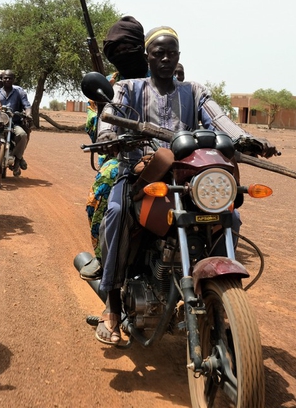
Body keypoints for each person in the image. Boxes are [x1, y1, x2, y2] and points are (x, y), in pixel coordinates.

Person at [93, 26, 277, 344]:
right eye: (158, 53)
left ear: (179, 55)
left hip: (186, 178)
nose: (165, 58)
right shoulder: (128, 87)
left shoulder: (193, 91)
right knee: (118, 210)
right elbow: (110, 115)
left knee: (228, 214)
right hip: (141, 175)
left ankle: (220, 298)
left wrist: (244, 139)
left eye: (172, 52)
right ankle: (111, 304)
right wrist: (108, 136)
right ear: (147, 57)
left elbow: (219, 119)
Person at [80, 15, 150, 281]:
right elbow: (93, 131)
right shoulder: (108, 83)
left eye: (127, 48)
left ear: (140, 46)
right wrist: (102, 109)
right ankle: (103, 257)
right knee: (99, 193)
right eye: (116, 51)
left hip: (166, 153)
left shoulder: (161, 74)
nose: (122, 54)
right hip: (122, 155)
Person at [0, 69, 32, 176]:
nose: (7, 80)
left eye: (10, 78)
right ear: (2, 79)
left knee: (22, 135)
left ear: (14, 79)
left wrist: (28, 114)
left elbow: (27, 106)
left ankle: (17, 160)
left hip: (14, 123)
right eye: (5, 78)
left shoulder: (19, 92)